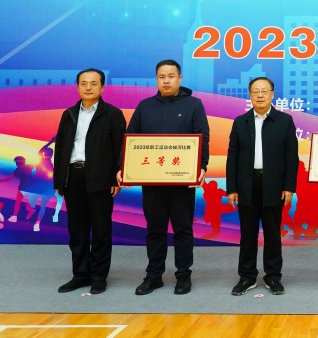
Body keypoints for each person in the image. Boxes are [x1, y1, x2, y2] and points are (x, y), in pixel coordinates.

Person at [119, 59, 210, 295]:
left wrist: (201, 167)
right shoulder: (145, 106)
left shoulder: (194, 105)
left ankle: (183, 275)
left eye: (171, 76)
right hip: (153, 182)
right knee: (155, 229)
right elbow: (130, 139)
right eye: (162, 77)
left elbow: (202, 137)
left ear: (180, 78)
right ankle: (154, 275)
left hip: (182, 181)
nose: (166, 81)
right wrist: (123, 167)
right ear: (156, 79)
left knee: (183, 229)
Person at [53, 68, 126, 295]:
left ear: (102, 87)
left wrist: (116, 177)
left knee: (101, 230)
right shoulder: (69, 114)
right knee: (77, 230)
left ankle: (99, 276)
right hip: (73, 176)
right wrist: (59, 180)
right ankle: (80, 274)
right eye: (83, 83)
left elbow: (120, 149)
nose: (88, 87)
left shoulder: (112, 114)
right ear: (77, 87)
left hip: (101, 178)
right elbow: (61, 148)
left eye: (93, 83)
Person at [227, 77, 298, 296]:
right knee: (247, 234)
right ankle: (247, 277)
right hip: (247, 185)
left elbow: (291, 157)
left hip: (274, 185)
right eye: (255, 92)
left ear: (272, 94)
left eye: (264, 91)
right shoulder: (241, 122)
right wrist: (232, 188)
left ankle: (273, 276)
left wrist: (289, 187)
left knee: (272, 234)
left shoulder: (284, 121)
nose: (260, 95)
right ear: (249, 95)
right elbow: (232, 157)